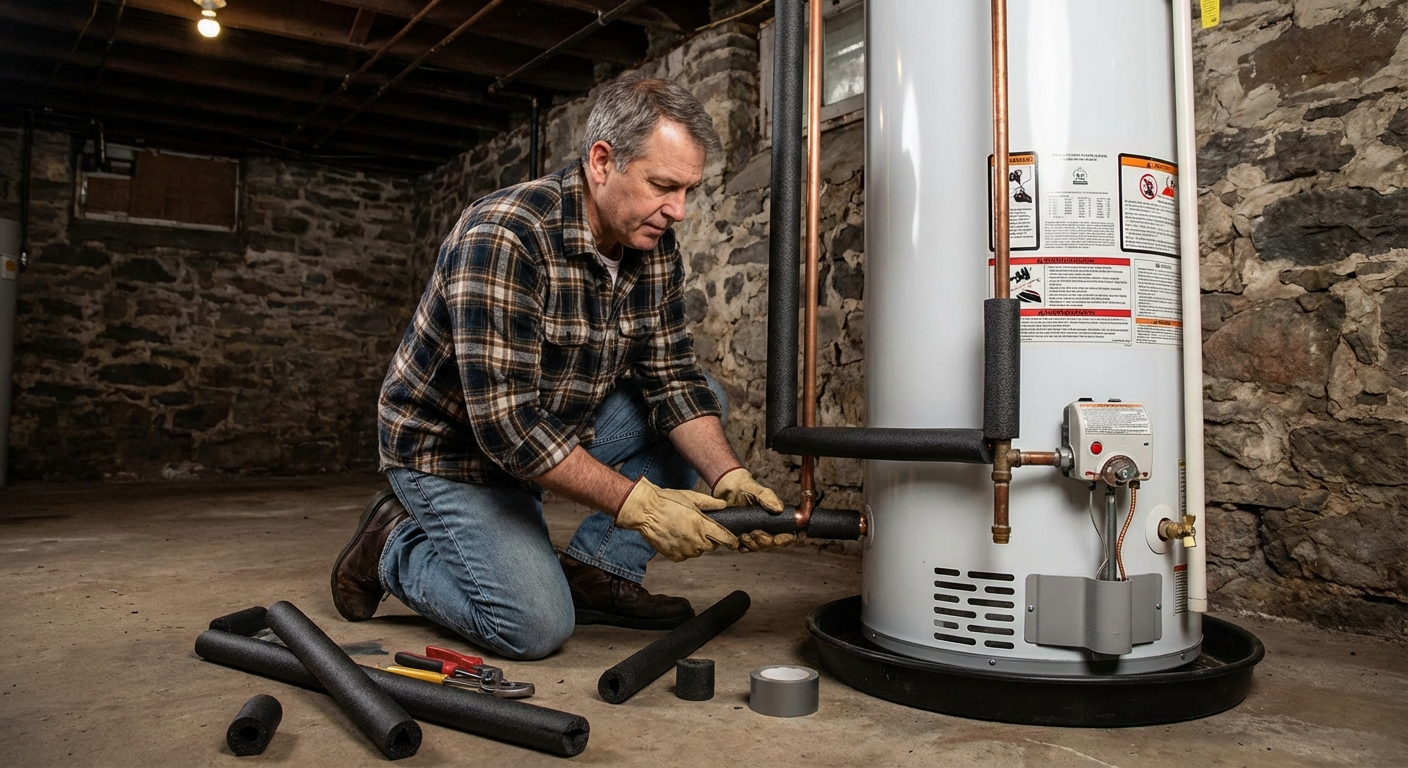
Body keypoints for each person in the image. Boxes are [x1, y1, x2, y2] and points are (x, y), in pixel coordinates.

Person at [330, 74, 791, 660]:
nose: (677, 210)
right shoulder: (505, 235)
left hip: (551, 429)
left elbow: (672, 379)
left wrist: (729, 477)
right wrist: (641, 507)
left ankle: (598, 572)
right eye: (662, 186)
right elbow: (508, 427)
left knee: (706, 398)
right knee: (534, 628)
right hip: (453, 453)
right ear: (602, 161)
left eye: (688, 191)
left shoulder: (652, 247)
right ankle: (393, 544)